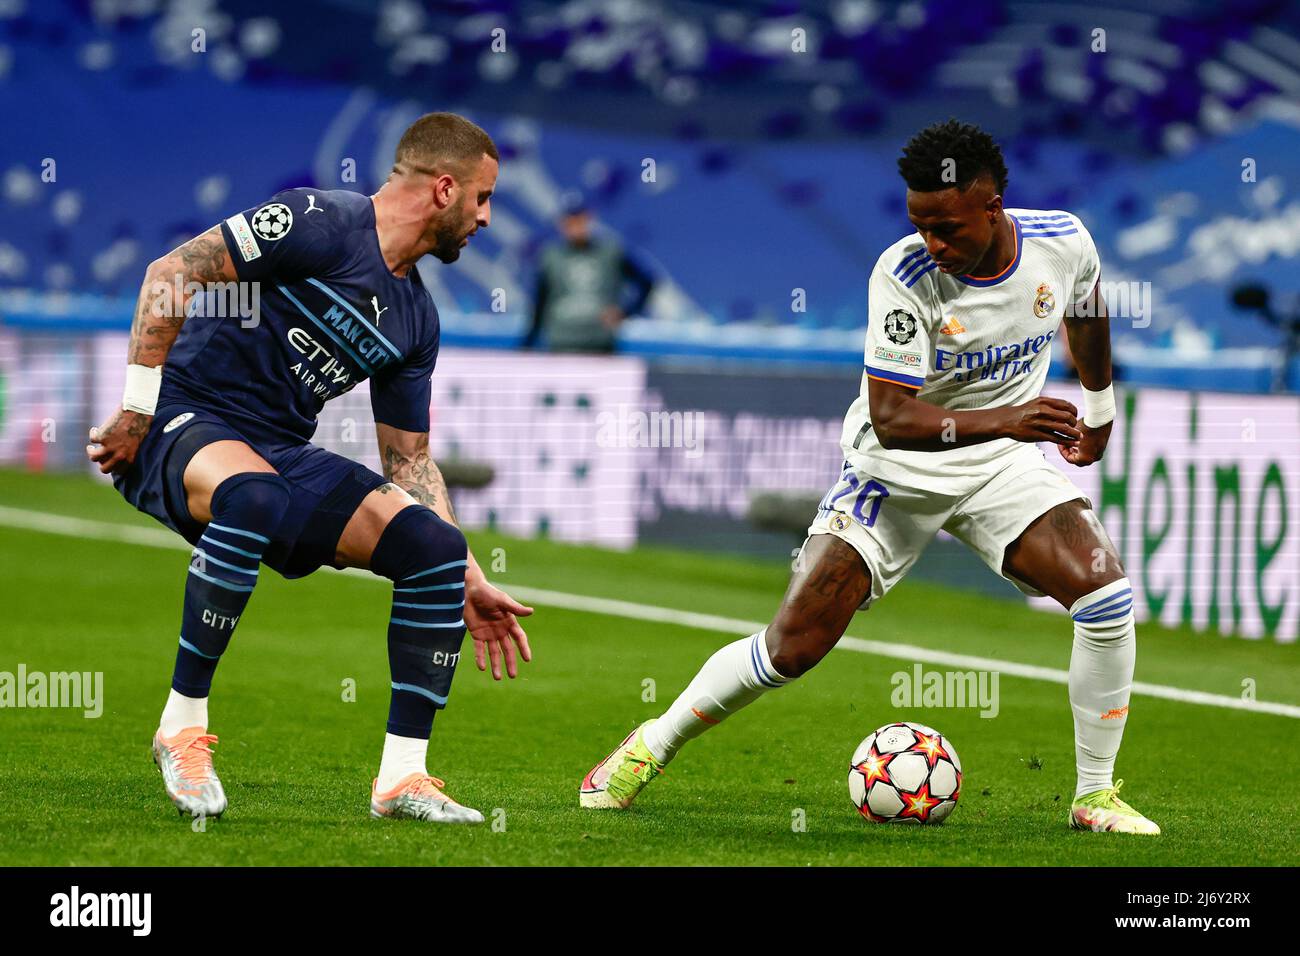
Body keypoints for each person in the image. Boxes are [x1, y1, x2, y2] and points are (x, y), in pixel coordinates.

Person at [579, 119, 1159, 835]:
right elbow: (892, 419)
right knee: (791, 648)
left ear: (993, 205)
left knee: (1105, 596)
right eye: (920, 225)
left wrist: (1099, 406)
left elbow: (1088, 308)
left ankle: (1094, 795)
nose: (933, 244)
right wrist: (1011, 417)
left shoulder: (1062, 239)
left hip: (1000, 467)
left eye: (946, 227)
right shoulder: (903, 275)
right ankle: (650, 745)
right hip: (894, 474)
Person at [87, 112, 533, 825]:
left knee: (434, 549)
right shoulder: (318, 220)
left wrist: (468, 572)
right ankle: (181, 727)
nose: (484, 218)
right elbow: (173, 272)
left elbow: (409, 459)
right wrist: (137, 408)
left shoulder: (415, 317)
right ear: (445, 188)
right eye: (482, 199)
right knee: (254, 493)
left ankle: (402, 780)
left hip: (274, 449)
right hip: (181, 419)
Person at [523, 194, 654, 353]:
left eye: (580, 219)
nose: (576, 226)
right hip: (562, 343)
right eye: (570, 220)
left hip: (600, 344)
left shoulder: (610, 252)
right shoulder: (550, 257)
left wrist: (626, 312)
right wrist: (527, 343)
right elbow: (540, 302)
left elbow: (647, 282)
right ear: (561, 223)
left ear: (589, 219)